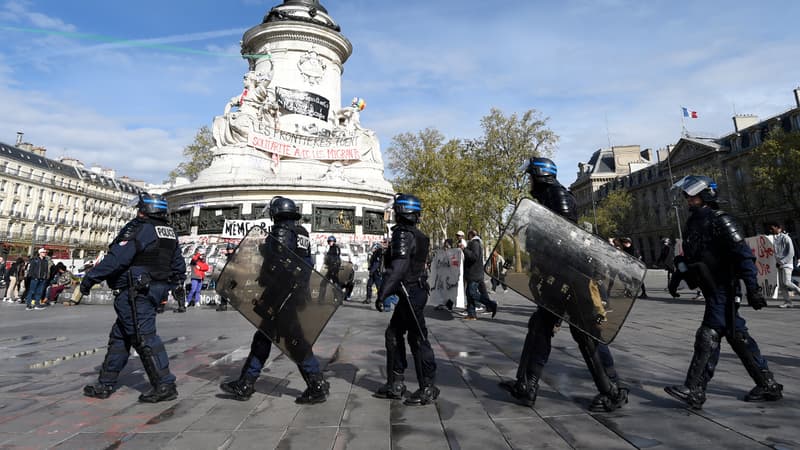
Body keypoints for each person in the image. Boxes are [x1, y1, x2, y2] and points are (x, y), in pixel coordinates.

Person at [501, 157, 628, 412]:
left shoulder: (558, 196)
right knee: (540, 326)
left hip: (569, 276)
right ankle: (527, 385)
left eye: (531, 176)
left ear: (541, 175)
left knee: (585, 334)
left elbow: (564, 238)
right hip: (557, 275)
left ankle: (612, 391)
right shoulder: (547, 197)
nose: (529, 181)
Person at [664, 175, 782, 409]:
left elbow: (744, 256)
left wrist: (753, 288)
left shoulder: (722, 220)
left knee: (708, 334)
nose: (688, 199)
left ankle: (694, 389)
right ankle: (767, 384)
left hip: (724, 287)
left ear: (706, 195)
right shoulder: (693, 222)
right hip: (710, 286)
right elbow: (691, 255)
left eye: (693, 195)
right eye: (687, 196)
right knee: (737, 335)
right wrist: (678, 276)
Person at [220, 196, 329, 404]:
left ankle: (316, 384)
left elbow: (280, 261)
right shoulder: (302, 233)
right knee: (264, 338)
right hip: (293, 293)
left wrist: (266, 264)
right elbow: (304, 262)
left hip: (280, 295)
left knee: (294, 341)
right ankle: (246, 382)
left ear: (275, 213)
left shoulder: (281, 231)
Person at [79, 193, 184, 403]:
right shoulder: (169, 232)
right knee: (120, 337)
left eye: (140, 209)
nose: (137, 212)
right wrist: (169, 286)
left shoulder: (139, 228)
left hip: (135, 292)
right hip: (154, 289)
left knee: (144, 337)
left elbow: (116, 259)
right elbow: (178, 265)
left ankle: (165, 384)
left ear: (145, 210)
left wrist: (90, 279)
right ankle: (105, 383)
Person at [374, 193, 440, 406]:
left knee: (417, 338)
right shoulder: (418, 235)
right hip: (412, 292)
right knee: (393, 334)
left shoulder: (403, 234)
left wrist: (383, 293)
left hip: (410, 292)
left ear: (401, 212)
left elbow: (399, 268)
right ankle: (396, 383)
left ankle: (427, 387)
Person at [460, 230, 498, 320]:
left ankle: (491, 304)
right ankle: (471, 314)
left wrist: (464, 249)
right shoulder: (475, 243)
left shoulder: (474, 243)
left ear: (471, 235)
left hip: (474, 273)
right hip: (474, 273)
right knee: (469, 293)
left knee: (472, 293)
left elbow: (474, 257)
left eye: (468, 235)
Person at [767, 221, 799, 308]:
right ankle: (788, 302)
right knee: (781, 285)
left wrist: (782, 262)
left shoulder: (786, 238)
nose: (770, 230)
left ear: (778, 228)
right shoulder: (773, 239)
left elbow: (791, 252)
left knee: (787, 282)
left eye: (772, 228)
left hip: (787, 264)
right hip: (778, 264)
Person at [318, 235, 341, 300]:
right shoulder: (332, 248)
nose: (330, 243)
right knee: (332, 283)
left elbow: (335, 258)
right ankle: (337, 298)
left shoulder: (335, 248)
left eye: (332, 241)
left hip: (333, 269)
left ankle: (338, 298)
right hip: (331, 269)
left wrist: (332, 264)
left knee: (332, 283)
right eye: (329, 241)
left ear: (334, 242)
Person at [216, 243, 237, 311]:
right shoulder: (228, 256)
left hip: (232, 276)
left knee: (226, 291)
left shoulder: (235, 257)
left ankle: (226, 304)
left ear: (233, 249)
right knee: (225, 291)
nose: (229, 250)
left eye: (230, 249)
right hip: (227, 276)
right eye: (228, 249)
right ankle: (225, 305)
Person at [365, 239, 387, 305]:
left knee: (378, 287)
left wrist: (371, 271)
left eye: (373, 247)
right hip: (373, 272)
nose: (372, 248)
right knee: (369, 285)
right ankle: (368, 299)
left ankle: (380, 300)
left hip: (376, 272)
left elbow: (376, 264)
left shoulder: (378, 253)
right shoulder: (375, 253)